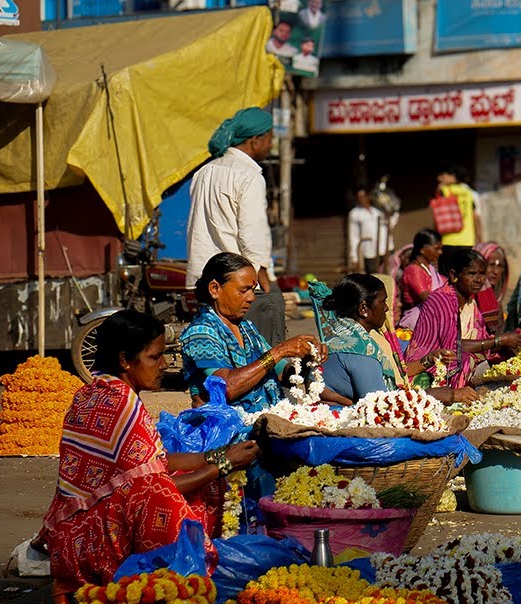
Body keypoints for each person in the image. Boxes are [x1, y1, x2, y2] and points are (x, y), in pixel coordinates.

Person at [36, 310, 260, 589]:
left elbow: (157, 461)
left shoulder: (94, 391)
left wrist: (219, 455)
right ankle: (175, 579)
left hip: (72, 534)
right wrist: (222, 466)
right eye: (155, 357)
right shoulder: (121, 404)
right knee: (165, 496)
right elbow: (156, 486)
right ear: (124, 361)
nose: (165, 365)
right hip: (91, 542)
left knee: (197, 477)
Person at [186, 107, 287, 346]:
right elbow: (253, 235)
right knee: (263, 353)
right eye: (270, 140)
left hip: (206, 280)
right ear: (255, 140)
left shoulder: (203, 172)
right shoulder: (249, 176)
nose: (270, 146)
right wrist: (262, 279)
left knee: (221, 348)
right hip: (240, 280)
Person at [180, 253, 327, 414]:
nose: (251, 298)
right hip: (226, 427)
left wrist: (306, 360)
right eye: (243, 290)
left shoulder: (246, 328)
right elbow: (226, 387)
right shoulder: (200, 333)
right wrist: (280, 351)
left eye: (252, 290)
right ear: (215, 289)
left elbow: (282, 373)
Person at [320, 274, 476, 405]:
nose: (387, 308)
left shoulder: (345, 334)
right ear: (363, 309)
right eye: (383, 302)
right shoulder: (362, 351)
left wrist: (428, 360)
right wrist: (433, 395)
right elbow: (379, 406)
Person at [408, 250, 521, 388]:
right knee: (465, 359)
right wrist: (499, 340)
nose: (478, 280)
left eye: (482, 274)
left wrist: (508, 341)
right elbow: (454, 347)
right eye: (471, 274)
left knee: (505, 355)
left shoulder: (471, 304)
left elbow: (482, 340)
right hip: (426, 369)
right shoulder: (442, 300)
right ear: (454, 275)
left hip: (456, 360)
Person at [396, 228, 446, 330]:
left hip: (432, 317)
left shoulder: (430, 268)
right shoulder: (414, 271)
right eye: (436, 248)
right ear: (422, 249)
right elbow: (428, 299)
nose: (440, 252)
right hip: (417, 323)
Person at [435, 165, 482, 248]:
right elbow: (475, 216)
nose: (440, 178)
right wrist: (479, 237)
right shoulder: (469, 192)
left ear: (452, 176)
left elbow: (437, 213)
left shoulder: (444, 190)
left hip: (448, 239)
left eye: (443, 175)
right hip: (467, 239)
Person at [347, 187, 390, 274]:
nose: (361, 199)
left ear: (368, 197)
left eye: (363, 196)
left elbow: (386, 227)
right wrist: (354, 256)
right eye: (359, 197)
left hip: (383, 249)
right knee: (373, 276)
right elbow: (353, 235)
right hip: (369, 250)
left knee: (385, 275)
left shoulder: (377, 212)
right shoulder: (355, 213)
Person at [475, 242, 510, 335]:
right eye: (491, 264)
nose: (496, 271)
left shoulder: (496, 298)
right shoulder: (470, 296)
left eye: (500, 266)